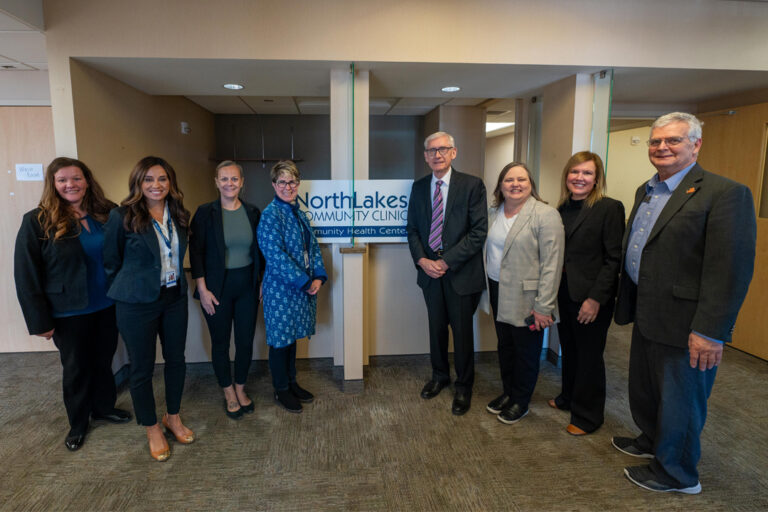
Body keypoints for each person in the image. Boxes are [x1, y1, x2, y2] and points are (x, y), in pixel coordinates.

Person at [612, 112, 756, 494]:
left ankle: (678, 474)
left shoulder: (724, 193)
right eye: (656, 141)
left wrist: (710, 331)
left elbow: (730, 270)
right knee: (647, 388)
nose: (662, 147)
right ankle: (652, 441)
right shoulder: (647, 190)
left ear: (696, 145)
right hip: (648, 311)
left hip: (688, 322)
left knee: (682, 400)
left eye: (673, 140)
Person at [14, 157, 131, 451]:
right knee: (76, 367)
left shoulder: (107, 212)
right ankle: (78, 423)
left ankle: (103, 408)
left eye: (76, 178)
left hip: (107, 304)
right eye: (63, 180)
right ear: (53, 184)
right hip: (67, 310)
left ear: (87, 181)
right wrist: (40, 321)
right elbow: (26, 274)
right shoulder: (37, 221)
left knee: (103, 360)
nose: (70, 185)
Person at [103, 156, 194, 461]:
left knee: (176, 360)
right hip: (136, 303)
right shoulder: (122, 216)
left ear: (171, 182)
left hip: (174, 297)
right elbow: (111, 262)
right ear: (138, 183)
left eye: (163, 179)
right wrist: (130, 287)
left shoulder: (179, 214)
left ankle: (173, 416)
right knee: (141, 367)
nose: (157, 185)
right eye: (149, 179)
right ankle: (152, 426)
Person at [406, 131, 488, 415]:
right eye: (431, 150)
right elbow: (412, 229)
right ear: (425, 156)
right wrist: (422, 260)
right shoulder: (419, 187)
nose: (437, 154)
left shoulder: (472, 185)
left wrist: (446, 262)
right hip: (429, 273)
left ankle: (464, 386)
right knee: (436, 328)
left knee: (462, 333)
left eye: (443, 149)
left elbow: (478, 232)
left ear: (454, 152)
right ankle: (439, 376)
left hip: (460, 273)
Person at [549, 152, 625, 435]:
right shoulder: (561, 208)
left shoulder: (609, 208)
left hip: (591, 297)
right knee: (570, 349)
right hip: (564, 292)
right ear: (566, 175)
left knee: (589, 356)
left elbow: (613, 259)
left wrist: (595, 299)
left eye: (587, 173)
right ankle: (568, 397)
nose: (579, 178)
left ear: (597, 179)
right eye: (575, 172)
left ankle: (588, 417)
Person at [484, 162, 564, 424]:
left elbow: (552, 264)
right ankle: (508, 392)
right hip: (497, 289)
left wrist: (544, 306)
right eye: (509, 180)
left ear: (531, 184)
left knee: (526, 352)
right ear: (500, 185)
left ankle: (521, 400)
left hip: (529, 297)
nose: (515, 184)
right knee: (506, 347)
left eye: (522, 179)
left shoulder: (545, 215)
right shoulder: (494, 212)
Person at [189, 160, 262, 420]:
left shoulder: (253, 212)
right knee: (220, 342)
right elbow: (196, 252)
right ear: (216, 182)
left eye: (234, 179)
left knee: (245, 341)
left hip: (247, 287)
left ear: (242, 183)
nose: (229, 183)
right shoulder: (204, 213)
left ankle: (240, 387)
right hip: (216, 289)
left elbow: (261, 251)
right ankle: (228, 391)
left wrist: (261, 281)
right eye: (224, 179)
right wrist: (202, 289)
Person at [257, 160, 327, 414]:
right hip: (280, 290)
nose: (288, 187)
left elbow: (313, 248)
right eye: (282, 182)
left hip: (301, 288)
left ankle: (292, 382)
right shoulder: (270, 215)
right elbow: (275, 256)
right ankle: (281, 388)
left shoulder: (300, 213)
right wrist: (304, 281)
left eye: (293, 182)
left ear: (298, 183)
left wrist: (318, 276)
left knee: (292, 336)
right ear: (274, 184)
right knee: (280, 340)